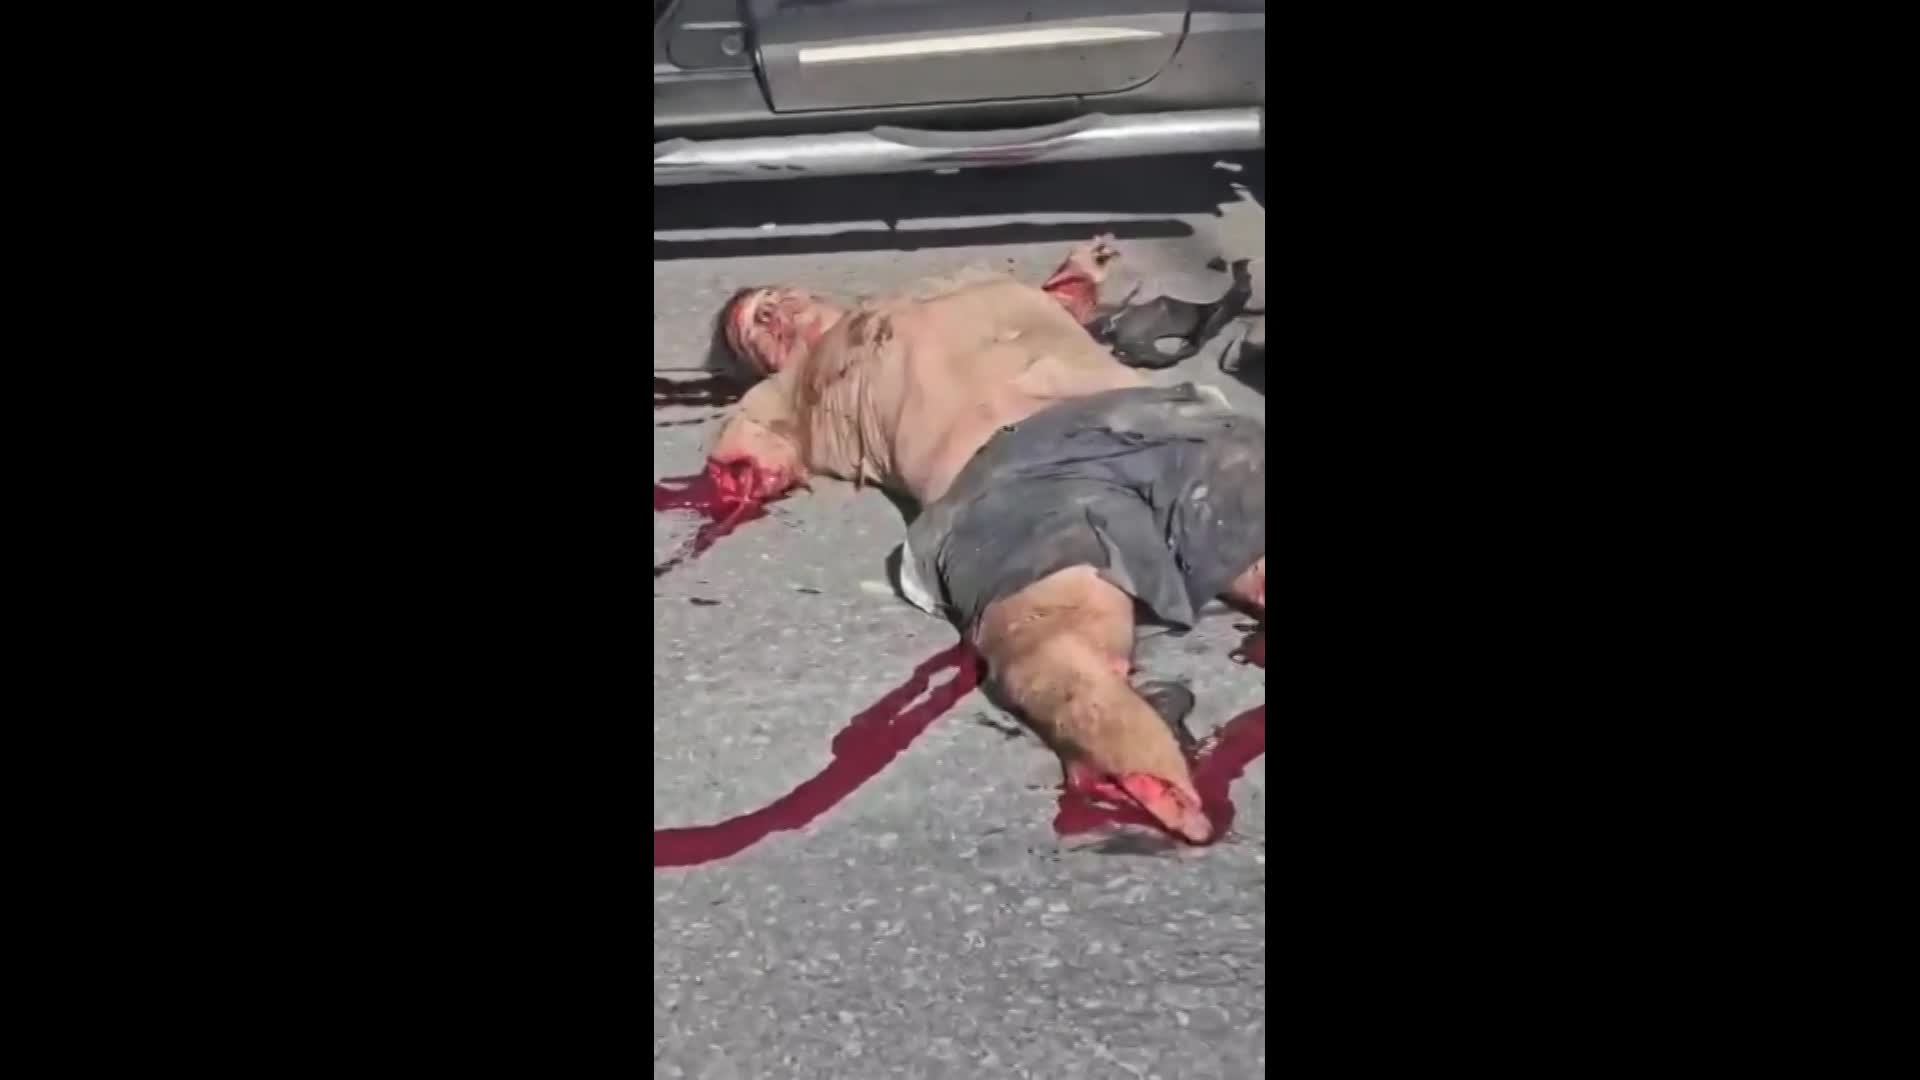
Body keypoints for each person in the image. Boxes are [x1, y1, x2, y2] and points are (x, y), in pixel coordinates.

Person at [705, 241, 1265, 843]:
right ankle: (1133, 760)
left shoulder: (964, 288)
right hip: (1008, 472)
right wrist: (745, 468)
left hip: (1151, 418)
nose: (775, 313)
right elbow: (748, 452)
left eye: (774, 297)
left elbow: (1057, 309)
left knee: (1242, 506)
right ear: (764, 365)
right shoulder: (792, 391)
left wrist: (1077, 279)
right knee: (1052, 630)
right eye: (755, 327)